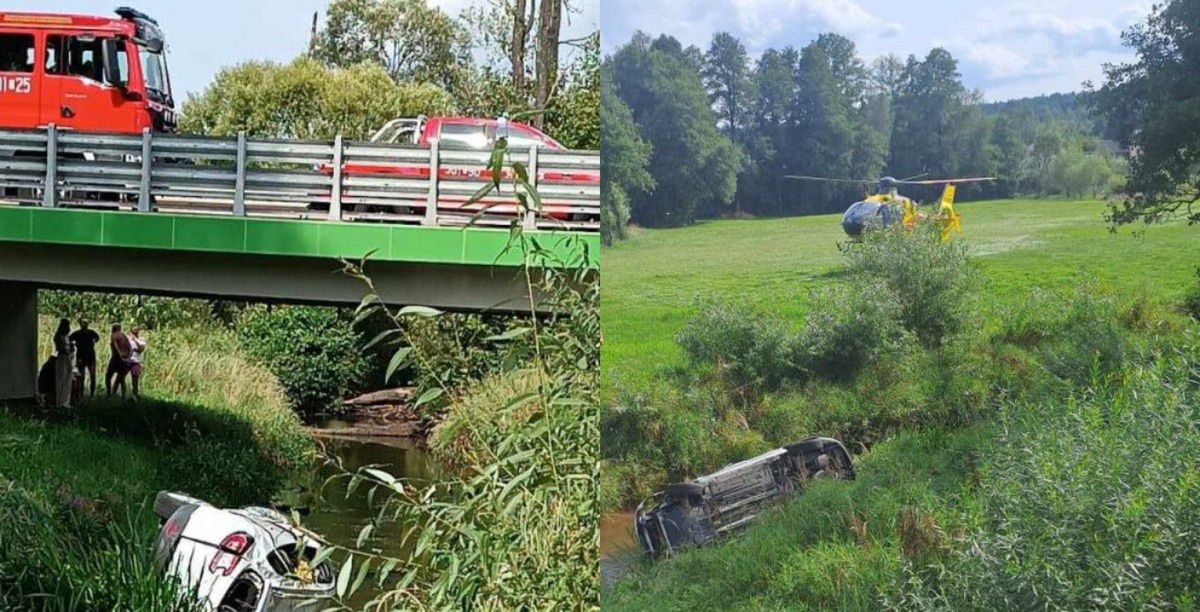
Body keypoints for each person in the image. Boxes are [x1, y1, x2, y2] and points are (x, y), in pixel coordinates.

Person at [68, 319, 101, 398]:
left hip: (88, 356)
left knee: (90, 375)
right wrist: (73, 344)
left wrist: (94, 341)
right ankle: (81, 393)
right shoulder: (78, 333)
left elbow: (97, 337)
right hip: (83, 356)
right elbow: (69, 339)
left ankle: (89, 393)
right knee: (82, 376)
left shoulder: (89, 332)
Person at [105, 323, 132, 399]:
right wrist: (128, 358)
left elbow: (116, 346)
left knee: (108, 376)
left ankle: (109, 393)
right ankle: (123, 396)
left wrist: (120, 356)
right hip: (125, 359)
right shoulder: (123, 336)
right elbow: (130, 347)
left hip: (116, 358)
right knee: (121, 379)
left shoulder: (113, 335)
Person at [52, 318, 74, 407]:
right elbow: (60, 347)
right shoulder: (58, 336)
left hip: (68, 357)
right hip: (62, 357)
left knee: (67, 379)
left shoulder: (67, 336)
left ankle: (66, 401)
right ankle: (60, 402)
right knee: (61, 379)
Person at [128, 327, 147, 402]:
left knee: (135, 380)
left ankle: (134, 395)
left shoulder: (141, 339)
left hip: (136, 361)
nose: (135, 331)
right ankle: (116, 393)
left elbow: (141, 349)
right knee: (121, 377)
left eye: (137, 329)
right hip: (127, 360)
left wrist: (135, 341)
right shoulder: (127, 339)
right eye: (134, 329)